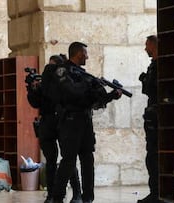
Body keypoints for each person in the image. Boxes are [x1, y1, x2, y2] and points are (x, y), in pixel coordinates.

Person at [44, 42, 122, 203]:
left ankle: (88, 198)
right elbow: (72, 92)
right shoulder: (62, 71)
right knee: (68, 161)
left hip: (85, 121)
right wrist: (89, 84)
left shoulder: (84, 74)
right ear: (78, 53)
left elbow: (94, 101)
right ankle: (57, 198)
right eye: (85, 53)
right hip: (70, 122)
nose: (87, 56)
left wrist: (111, 95)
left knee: (88, 159)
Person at [26, 54, 82, 203]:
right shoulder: (44, 84)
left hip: (63, 122)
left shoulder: (64, 83)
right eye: (48, 67)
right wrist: (32, 89)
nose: (48, 70)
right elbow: (35, 103)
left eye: (52, 67)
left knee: (68, 160)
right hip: (47, 123)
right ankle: (51, 195)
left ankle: (77, 193)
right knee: (50, 160)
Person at [138, 35, 159, 203]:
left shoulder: (158, 65)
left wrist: (145, 79)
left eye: (147, 45)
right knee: (151, 156)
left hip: (157, 114)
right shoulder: (154, 65)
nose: (145, 48)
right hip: (153, 113)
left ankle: (157, 192)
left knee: (153, 156)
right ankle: (155, 191)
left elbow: (150, 87)